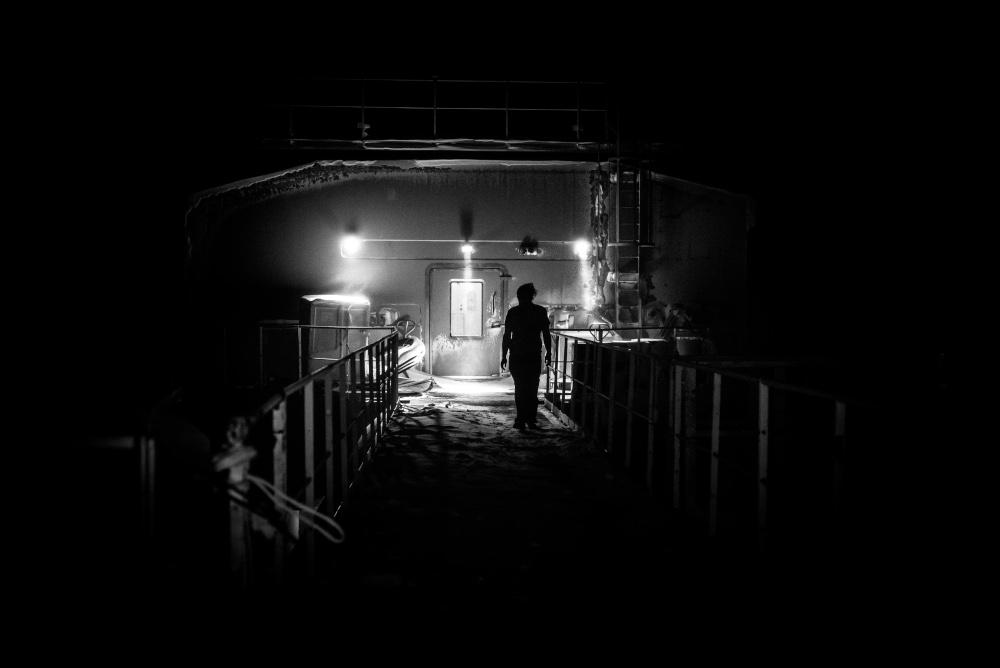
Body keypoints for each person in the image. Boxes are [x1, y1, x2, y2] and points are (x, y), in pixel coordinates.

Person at [500, 283, 552, 430]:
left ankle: (521, 419)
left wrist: (504, 355)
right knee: (532, 387)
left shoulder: (513, 312)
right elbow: (546, 334)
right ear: (532, 296)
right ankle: (531, 418)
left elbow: (506, 336)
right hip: (533, 354)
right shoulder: (540, 311)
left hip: (517, 354)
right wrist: (549, 352)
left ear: (519, 296)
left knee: (520, 388)